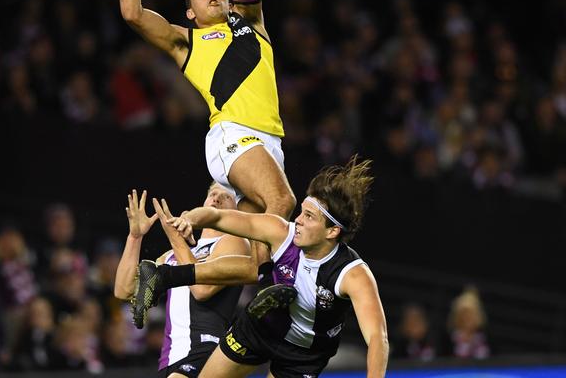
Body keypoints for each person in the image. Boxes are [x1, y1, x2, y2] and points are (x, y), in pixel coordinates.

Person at [113, 0, 297, 291]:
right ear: (191, 12)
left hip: (269, 142)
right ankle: (273, 292)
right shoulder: (187, 42)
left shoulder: (252, 24)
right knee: (281, 204)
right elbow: (132, 14)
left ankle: (164, 275)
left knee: (247, 259)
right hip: (232, 134)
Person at [150, 157, 389, 378]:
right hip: (259, 329)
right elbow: (217, 217)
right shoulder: (281, 232)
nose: (298, 220)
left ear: (332, 231)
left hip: (302, 356)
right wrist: (189, 219)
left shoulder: (353, 274)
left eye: (309, 216)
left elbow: (378, 338)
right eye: (302, 212)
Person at [114, 185, 260, 378]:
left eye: (227, 197)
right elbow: (125, 290)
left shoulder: (236, 243)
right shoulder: (174, 254)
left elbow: (202, 289)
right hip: (169, 358)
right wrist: (135, 237)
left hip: (206, 348)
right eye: (213, 194)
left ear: (237, 212)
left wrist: (176, 240)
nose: (217, 199)